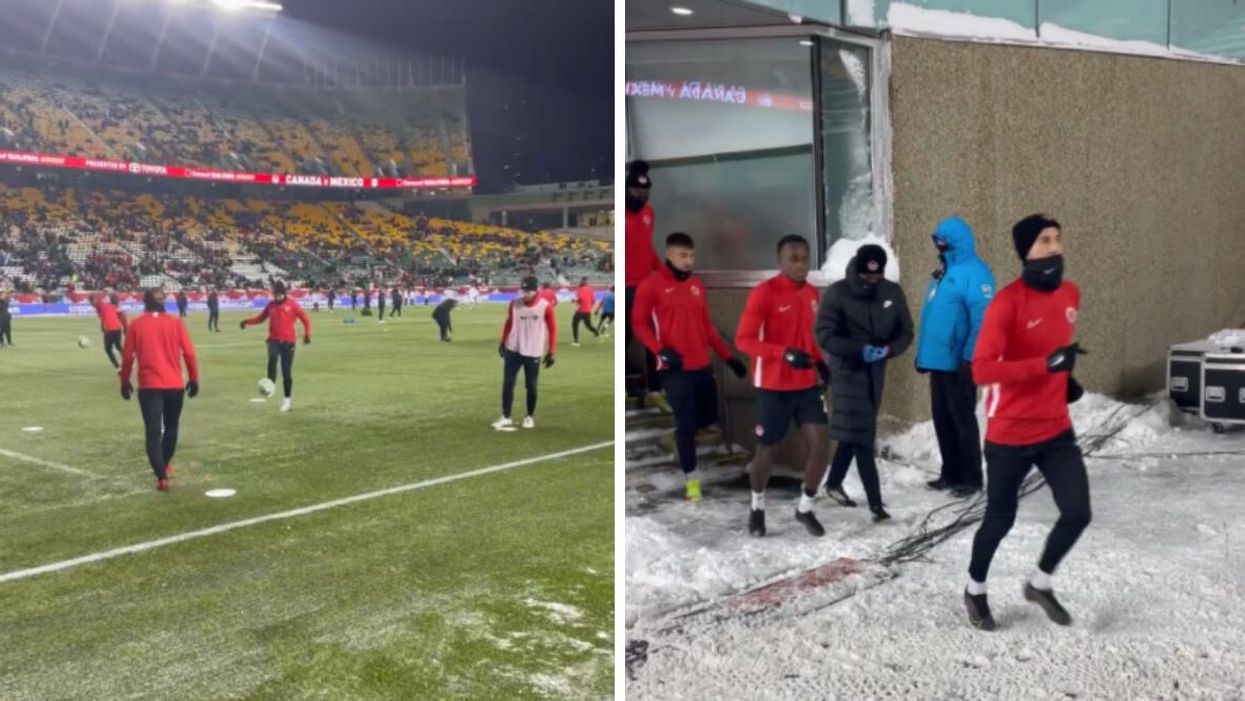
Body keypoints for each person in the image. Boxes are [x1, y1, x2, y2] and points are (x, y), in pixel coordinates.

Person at [963, 214, 1089, 632]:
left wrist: (1065, 380)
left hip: (1055, 429)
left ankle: (1040, 583)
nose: (1053, 248)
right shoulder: (1006, 303)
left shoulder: (1070, 294)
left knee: (1078, 512)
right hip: (1010, 432)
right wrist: (1043, 366)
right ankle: (975, 589)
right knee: (1000, 519)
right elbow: (981, 370)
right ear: (1025, 252)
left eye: (1057, 239)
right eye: (1043, 241)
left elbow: (1054, 351)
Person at [632, 232, 748, 501]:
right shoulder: (651, 285)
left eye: (692, 255)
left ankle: (684, 444)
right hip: (674, 369)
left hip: (703, 366)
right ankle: (691, 481)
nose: (688, 260)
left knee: (706, 418)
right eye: (683, 255)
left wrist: (728, 358)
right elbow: (639, 324)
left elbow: (707, 327)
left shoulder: (697, 285)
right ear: (669, 254)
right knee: (685, 424)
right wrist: (660, 350)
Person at [735, 235, 831, 537]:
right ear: (780, 261)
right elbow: (743, 341)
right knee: (767, 452)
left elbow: (808, 337)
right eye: (795, 258)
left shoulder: (813, 293)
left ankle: (805, 508)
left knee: (821, 444)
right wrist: (783, 353)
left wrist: (820, 362)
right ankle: (757, 506)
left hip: (805, 386)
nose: (802, 264)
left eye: (805, 257)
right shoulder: (764, 294)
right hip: (772, 386)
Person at [815, 244, 914, 522]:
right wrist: (859, 349)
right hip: (848, 372)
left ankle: (833, 484)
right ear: (857, 270)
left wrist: (888, 350)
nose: (872, 281)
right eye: (867, 277)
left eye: (877, 277)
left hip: (875, 373)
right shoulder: (838, 293)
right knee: (862, 437)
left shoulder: (892, 293)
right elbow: (825, 335)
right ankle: (876, 505)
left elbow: (906, 332)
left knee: (853, 431)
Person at [916, 217, 996, 498]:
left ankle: (971, 477)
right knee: (942, 417)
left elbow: (983, 319)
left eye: (944, 241)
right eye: (937, 240)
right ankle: (950, 472)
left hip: (960, 361)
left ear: (956, 241)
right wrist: (923, 356)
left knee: (962, 417)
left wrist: (971, 357)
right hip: (939, 360)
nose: (939, 245)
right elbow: (934, 316)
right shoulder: (944, 270)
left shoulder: (975, 272)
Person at [119, 288, 199, 491]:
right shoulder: (175, 322)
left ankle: (161, 476)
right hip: (174, 385)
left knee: (153, 432)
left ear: (144, 302)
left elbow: (128, 357)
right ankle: (165, 465)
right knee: (171, 426)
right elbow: (189, 353)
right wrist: (194, 378)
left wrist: (124, 381)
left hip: (150, 386)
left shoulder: (136, 324)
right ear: (164, 302)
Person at [492, 276, 556, 430]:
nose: (525, 293)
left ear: (535, 290)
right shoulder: (514, 303)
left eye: (528, 291)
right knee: (508, 383)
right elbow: (509, 322)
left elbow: (553, 329)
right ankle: (506, 416)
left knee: (531, 385)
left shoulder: (545, 306)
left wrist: (551, 351)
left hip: (533, 351)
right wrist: (502, 341)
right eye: (523, 290)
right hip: (513, 348)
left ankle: (529, 416)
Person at [624, 160, 664, 409]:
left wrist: (663, 272)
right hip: (627, 286)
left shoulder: (649, 213)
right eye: (636, 190)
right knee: (626, 336)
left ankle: (655, 389)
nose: (641, 194)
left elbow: (647, 249)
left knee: (653, 337)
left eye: (645, 190)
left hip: (646, 285)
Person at [240, 280, 311, 412]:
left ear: (284, 293)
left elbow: (305, 319)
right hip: (273, 340)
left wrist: (307, 335)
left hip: (289, 342)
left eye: (279, 295)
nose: (277, 297)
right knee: (272, 360)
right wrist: (246, 321)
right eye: (275, 295)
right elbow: (260, 318)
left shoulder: (293, 305)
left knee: (286, 373)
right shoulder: (271, 305)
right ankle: (270, 387)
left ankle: (287, 400)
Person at [93, 292, 128, 368]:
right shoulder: (114, 307)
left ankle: (118, 367)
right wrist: (125, 328)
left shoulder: (104, 306)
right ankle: (127, 362)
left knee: (108, 349)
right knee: (118, 346)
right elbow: (122, 317)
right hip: (118, 329)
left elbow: (98, 304)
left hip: (110, 329)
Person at [571, 277, 600, 347]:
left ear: (582, 281)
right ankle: (596, 332)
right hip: (587, 311)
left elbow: (580, 299)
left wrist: (574, 300)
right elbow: (593, 301)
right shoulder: (591, 289)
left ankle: (576, 342)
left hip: (580, 311)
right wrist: (588, 306)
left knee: (574, 325)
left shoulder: (579, 289)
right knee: (588, 325)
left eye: (581, 281)